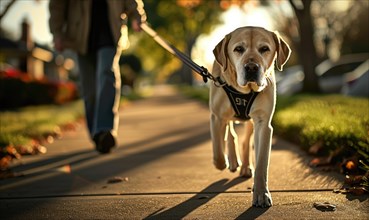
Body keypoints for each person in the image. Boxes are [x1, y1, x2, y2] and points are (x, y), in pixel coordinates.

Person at [49, 0, 146, 153]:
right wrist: (57, 32)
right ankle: (96, 134)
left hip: (111, 30)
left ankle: (104, 129)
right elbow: (57, 4)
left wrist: (137, 16)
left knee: (107, 73)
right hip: (81, 35)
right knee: (90, 90)